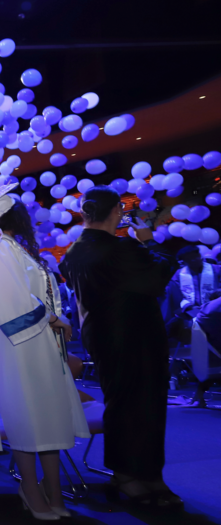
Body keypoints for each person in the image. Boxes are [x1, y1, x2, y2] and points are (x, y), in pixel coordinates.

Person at [60, 187, 182, 508]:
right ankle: (137, 476)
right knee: (146, 404)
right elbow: (159, 274)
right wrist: (149, 239)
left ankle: (135, 475)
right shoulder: (122, 247)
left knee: (121, 402)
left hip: (101, 336)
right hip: (136, 334)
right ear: (117, 211)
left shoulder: (72, 253)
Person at [0, 200, 90, 520]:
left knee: (49, 416)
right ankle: (30, 489)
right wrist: (55, 318)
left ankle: (53, 489)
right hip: (17, 344)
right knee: (27, 418)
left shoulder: (14, 248)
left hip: (39, 342)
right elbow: (9, 301)